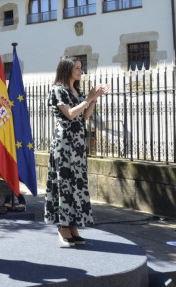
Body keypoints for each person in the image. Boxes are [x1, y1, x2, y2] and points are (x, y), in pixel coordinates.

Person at [44, 56, 109, 247]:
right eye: (78, 68)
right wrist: (88, 98)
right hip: (64, 144)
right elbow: (71, 114)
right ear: (67, 70)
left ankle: (72, 225)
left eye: (81, 68)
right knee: (64, 182)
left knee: (76, 183)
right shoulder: (57, 90)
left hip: (78, 145)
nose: (81, 71)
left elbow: (85, 115)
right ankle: (63, 226)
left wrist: (94, 99)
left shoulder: (75, 90)